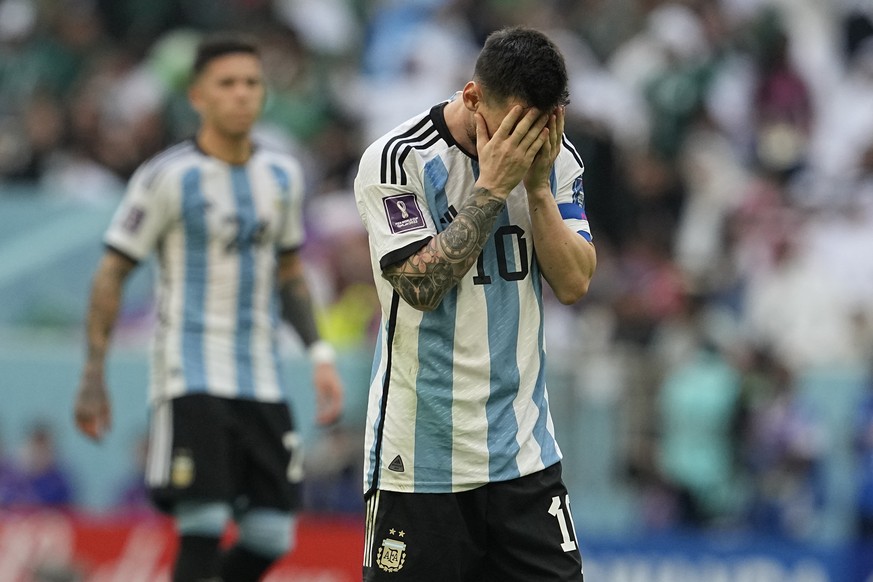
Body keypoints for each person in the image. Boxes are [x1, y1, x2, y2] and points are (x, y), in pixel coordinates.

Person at [72, 36, 344, 582]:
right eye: (227, 84)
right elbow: (112, 272)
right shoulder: (166, 177)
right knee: (204, 520)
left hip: (263, 377)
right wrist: (94, 372)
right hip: (189, 371)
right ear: (197, 96)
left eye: (251, 83)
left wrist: (318, 353)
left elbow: (290, 273)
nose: (241, 95)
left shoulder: (283, 177)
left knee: (271, 535)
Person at [354, 26, 596, 582]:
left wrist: (536, 191)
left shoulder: (555, 158)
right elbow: (419, 288)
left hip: (523, 457)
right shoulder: (397, 160)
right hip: (418, 464)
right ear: (471, 97)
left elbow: (576, 283)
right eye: (515, 126)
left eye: (541, 126)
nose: (528, 142)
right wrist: (491, 190)